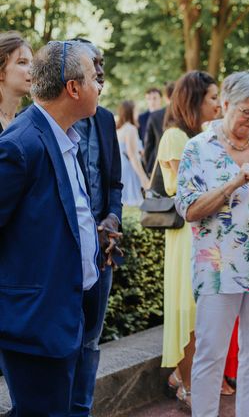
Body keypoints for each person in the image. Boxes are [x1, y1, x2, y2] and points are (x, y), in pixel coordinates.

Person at [175, 71, 249, 416]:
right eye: (246, 111)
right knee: (211, 353)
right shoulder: (197, 148)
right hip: (216, 268)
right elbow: (190, 209)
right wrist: (234, 183)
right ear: (225, 103)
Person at [0, 40, 102, 415]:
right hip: (35, 324)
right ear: (73, 88)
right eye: (94, 78)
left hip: (69, 313)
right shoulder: (21, 144)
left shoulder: (65, 137)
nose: (100, 86)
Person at [155, 71, 222, 407]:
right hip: (186, 234)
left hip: (204, 234)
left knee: (204, 312)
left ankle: (183, 377)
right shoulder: (176, 137)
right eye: (212, 97)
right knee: (190, 311)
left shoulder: (206, 135)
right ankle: (189, 386)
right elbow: (190, 191)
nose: (219, 103)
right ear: (195, 100)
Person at [69, 38, 124, 416]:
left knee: (91, 340)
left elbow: (115, 185)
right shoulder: (49, 119)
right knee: (63, 340)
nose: (101, 73)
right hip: (66, 250)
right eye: (94, 65)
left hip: (103, 248)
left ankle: (81, 410)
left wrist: (113, 218)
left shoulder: (105, 119)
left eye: (102, 65)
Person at [116, 100, 149, 206]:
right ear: (130, 112)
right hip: (129, 167)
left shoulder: (119, 129)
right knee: (133, 202)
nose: (138, 114)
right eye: (136, 111)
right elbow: (132, 155)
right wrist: (143, 177)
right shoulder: (130, 129)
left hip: (121, 167)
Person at [143, 81, 174, 190]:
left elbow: (148, 145)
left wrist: (148, 166)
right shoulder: (187, 114)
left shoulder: (155, 116)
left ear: (165, 97)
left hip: (160, 166)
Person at [0, 31, 32, 132]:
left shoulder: (23, 123)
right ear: (1, 72)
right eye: (22, 62)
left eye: (32, 63)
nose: (32, 69)